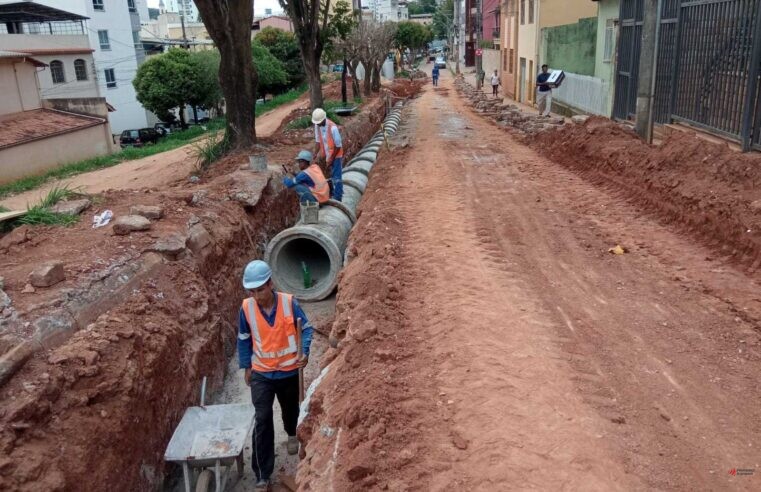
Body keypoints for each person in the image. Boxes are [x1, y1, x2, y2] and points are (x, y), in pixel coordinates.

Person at [237, 260, 314, 491]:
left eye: (261, 289)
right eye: (253, 291)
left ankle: (292, 433)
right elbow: (243, 338)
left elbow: (307, 328)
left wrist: (305, 351)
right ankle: (262, 474)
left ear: (270, 283)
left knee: (291, 410)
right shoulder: (246, 308)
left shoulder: (290, 303)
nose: (257, 295)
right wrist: (246, 366)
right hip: (262, 372)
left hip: (289, 370)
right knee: (262, 419)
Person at [312, 108, 344, 202]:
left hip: (336, 154)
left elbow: (338, 146)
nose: (317, 124)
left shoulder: (332, 127)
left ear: (323, 119)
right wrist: (315, 154)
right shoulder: (317, 126)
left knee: (336, 176)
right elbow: (318, 141)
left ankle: (338, 197)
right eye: (316, 123)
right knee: (327, 174)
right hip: (326, 154)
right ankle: (331, 193)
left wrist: (331, 159)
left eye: (318, 122)